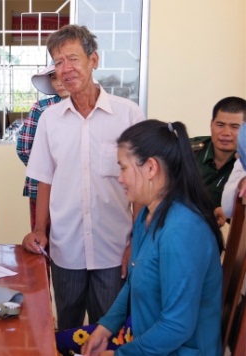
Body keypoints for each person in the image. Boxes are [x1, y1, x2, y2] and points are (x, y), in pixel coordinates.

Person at [56, 120, 224, 356]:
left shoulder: (182, 230)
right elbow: (133, 284)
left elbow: (177, 326)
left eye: (123, 168)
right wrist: (105, 328)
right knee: (55, 342)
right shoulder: (148, 214)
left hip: (181, 351)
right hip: (149, 343)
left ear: (151, 168)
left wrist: (120, 355)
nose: (120, 178)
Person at [21, 24, 145, 331]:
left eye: (73, 59)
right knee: (67, 327)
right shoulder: (50, 119)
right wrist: (38, 229)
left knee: (111, 329)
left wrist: (137, 242)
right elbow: (42, 179)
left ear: (94, 60)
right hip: (67, 247)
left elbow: (143, 186)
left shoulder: (128, 115)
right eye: (59, 62)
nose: (66, 69)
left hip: (115, 247)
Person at [16, 62, 70, 231]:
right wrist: (43, 169)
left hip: (75, 187)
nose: (59, 82)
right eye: (54, 78)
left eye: (62, 76)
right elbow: (24, 148)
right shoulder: (42, 108)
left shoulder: (88, 110)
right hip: (40, 187)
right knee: (41, 236)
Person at [190, 96, 246, 226]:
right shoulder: (187, 151)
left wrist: (231, 214)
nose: (226, 132)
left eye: (235, 127)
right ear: (211, 124)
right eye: (220, 125)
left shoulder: (244, 163)